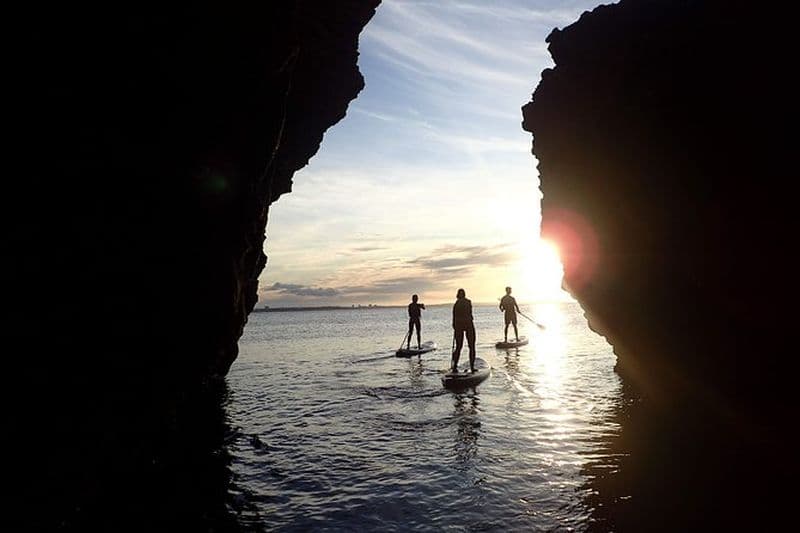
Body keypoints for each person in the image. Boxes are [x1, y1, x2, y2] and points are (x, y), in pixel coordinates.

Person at [451, 288, 476, 372]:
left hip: (460, 325)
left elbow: (454, 317)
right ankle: (472, 367)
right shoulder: (468, 302)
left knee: (459, 347)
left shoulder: (456, 303)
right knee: (471, 346)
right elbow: (470, 314)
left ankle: (455, 367)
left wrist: (455, 326)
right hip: (468, 324)